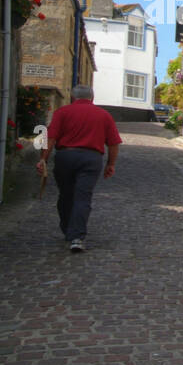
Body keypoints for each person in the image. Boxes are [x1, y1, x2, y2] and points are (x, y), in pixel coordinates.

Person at [36, 85, 121, 252]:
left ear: (72, 98)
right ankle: (77, 237)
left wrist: (42, 159)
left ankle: (68, 229)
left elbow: (51, 137)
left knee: (66, 195)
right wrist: (111, 164)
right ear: (92, 98)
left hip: (65, 157)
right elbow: (113, 143)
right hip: (91, 159)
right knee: (83, 197)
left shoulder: (62, 112)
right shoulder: (104, 115)